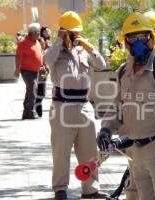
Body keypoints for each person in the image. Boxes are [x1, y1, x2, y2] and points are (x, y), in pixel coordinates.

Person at [98, 12, 155, 200]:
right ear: (126, 43)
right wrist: (106, 129)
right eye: (133, 38)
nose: (139, 42)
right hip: (136, 152)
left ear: (152, 40)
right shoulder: (124, 72)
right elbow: (117, 106)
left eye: (143, 37)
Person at [43, 11, 107, 200]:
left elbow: (102, 65)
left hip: (84, 104)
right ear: (62, 31)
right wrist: (60, 42)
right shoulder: (55, 51)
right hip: (62, 105)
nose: (73, 35)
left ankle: (91, 189)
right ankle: (60, 189)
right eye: (70, 32)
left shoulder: (83, 51)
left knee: (89, 150)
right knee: (61, 151)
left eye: (75, 32)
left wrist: (89, 47)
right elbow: (47, 60)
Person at [15, 23, 43, 119]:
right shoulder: (23, 42)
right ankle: (30, 111)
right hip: (27, 70)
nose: (40, 34)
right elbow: (18, 56)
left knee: (30, 90)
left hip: (36, 71)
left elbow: (40, 55)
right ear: (33, 32)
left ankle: (26, 112)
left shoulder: (37, 42)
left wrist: (43, 65)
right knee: (33, 89)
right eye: (38, 32)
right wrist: (17, 69)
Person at [35, 27, 52, 117]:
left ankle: (37, 107)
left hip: (45, 69)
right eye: (46, 31)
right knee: (40, 90)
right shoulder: (40, 40)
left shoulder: (48, 41)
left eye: (49, 30)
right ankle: (37, 108)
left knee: (41, 90)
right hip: (41, 69)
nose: (48, 32)